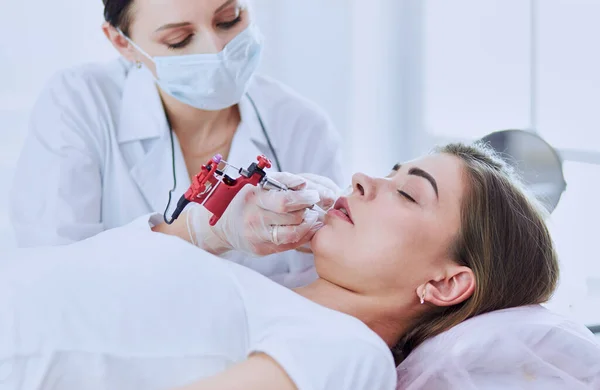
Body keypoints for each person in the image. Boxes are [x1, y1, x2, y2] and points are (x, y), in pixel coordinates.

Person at [1, 142, 598, 389]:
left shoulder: (346, 352)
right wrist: (199, 231)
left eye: (408, 193)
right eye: (389, 170)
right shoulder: (268, 286)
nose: (364, 179)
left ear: (446, 282)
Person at [9, 0, 344, 288]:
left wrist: (320, 236)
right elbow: (51, 279)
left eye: (229, 18)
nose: (217, 50)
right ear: (122, 43)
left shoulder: (302, 126)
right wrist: (197, 233)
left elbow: (328, 285)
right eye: (179, 39)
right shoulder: (80, 103)